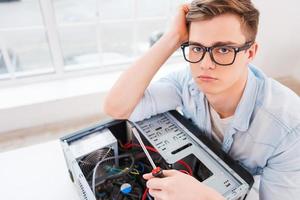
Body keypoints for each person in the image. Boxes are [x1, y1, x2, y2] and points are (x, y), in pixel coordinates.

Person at [103, 0, 300, 199]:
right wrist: (173, 37)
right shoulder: (186, 81)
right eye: (197, 48)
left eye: (223, 50)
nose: (206, 65)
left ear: (250, 53)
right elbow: (118, 107)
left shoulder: (290, 128)